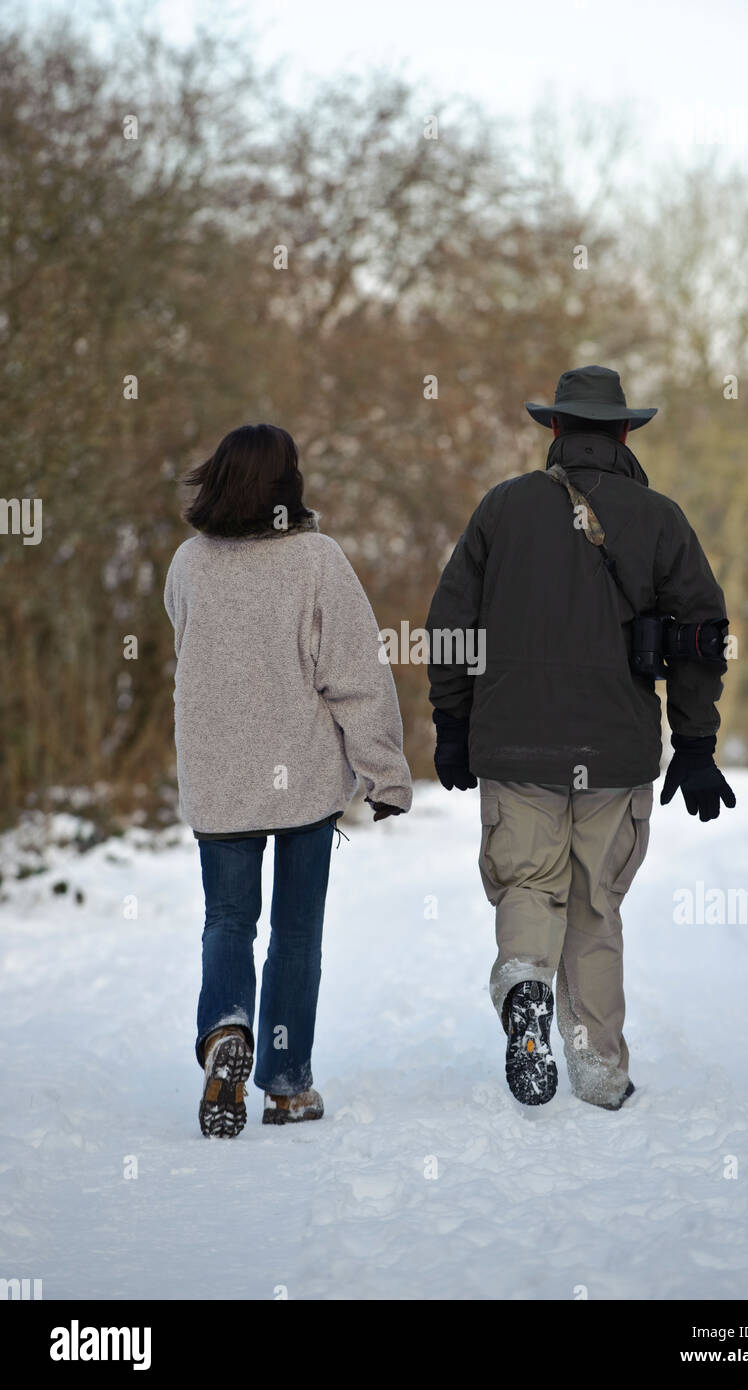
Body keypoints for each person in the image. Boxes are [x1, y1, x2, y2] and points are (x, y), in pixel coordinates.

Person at [425, 366, 734, 1110]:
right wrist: (694, 743)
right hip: (615, 749)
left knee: (529, 882)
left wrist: (453, 721)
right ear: (625, 432)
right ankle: (597, 1068)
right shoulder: (660, 519)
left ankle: (525, 987)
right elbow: (699, 637)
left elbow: (448, 624)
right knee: (595, 904)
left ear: (554, 430)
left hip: (515, 742)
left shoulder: (502, 509)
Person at [164, 423, 412, 1138]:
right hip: (302, 778)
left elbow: (190, 643)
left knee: (227, 921)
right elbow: (356, 678)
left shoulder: (188, 563)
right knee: (296, 933)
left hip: (218, 780)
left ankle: (224, 1031)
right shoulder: (317, 561)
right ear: (286, 483)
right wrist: (384, 773)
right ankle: (286, 1082)